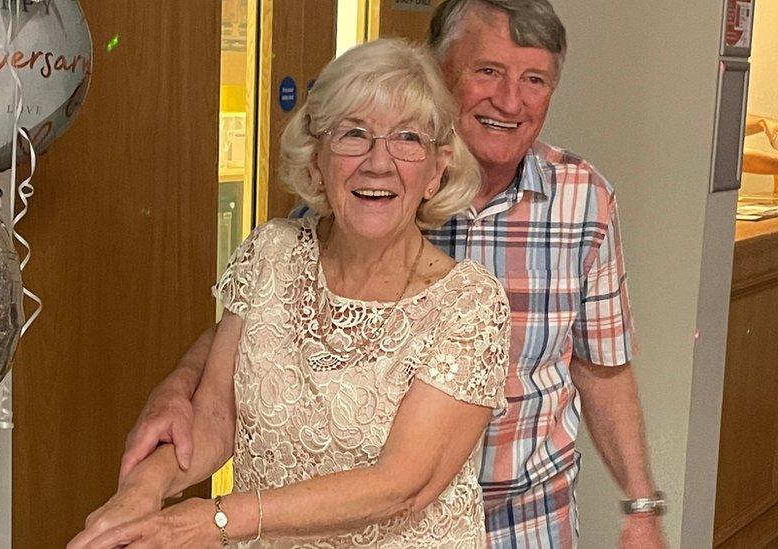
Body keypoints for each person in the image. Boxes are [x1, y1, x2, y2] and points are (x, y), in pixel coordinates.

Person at [116, 0, 669, 547]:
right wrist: (167, 426)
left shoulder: (580, 202)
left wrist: (641, 503)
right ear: (440, 68)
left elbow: (603, 366)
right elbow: (260, 344)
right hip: (292, 521)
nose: (509, 99)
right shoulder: (309, 228)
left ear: (436, 167)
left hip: (522, 515)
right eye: (488, 71)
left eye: (534, 80)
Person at [69, 38, 510, 547]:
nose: (378, 162)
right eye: (353, 134)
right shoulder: (272, 252)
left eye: (407, 138)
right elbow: (216, 416)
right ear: (316, 160)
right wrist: (143, 489)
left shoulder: (469, 304)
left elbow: (398, 486)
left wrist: (214, 520)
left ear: (437, 170)